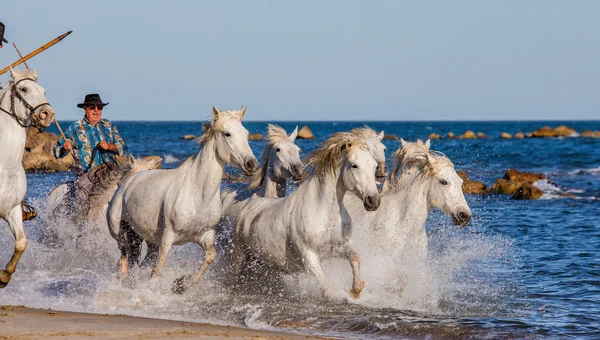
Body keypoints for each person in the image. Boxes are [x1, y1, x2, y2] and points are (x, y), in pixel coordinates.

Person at [53, 93, 127, 205]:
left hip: (111, 172)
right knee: (81, 201)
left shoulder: (107, 125)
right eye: (92, 107)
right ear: (85, 109)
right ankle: (79, 222)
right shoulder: (75, 128)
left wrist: (109, 146)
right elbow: (56, 151)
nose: (96, 110)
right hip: (87, 176)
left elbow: (123, 146)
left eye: (99, 107)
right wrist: (65, 148)